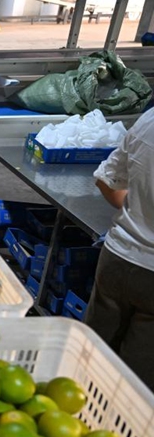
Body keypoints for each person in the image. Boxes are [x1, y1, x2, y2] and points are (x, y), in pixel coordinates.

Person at [85, 107, 154, 390]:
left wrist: (138, 208)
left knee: (90, 358)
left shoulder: (149, 119)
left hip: (117, 258)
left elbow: (107, 180)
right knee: (134, 386)